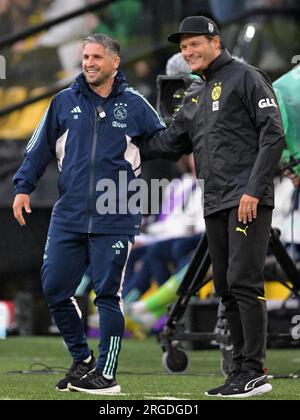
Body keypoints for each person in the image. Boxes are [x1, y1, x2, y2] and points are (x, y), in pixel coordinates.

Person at [136, 16, 285, 398]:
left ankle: (254, 369)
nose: (188, 52)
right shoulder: (195, 94)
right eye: (183, 48)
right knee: (224, 285)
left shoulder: (247, 77)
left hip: (247, 199)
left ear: (215, 42)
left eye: (194, 44)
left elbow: (273, 134)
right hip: (215, 201)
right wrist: (127, 143)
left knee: (242, 282)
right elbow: (170, 143)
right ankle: (240, 370)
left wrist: (254, 190)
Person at [12, 33, 166, 395]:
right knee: (54, 288)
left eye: (97, 56)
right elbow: (38, 149)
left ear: (115, 62)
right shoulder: (63, 102)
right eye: (85, 56)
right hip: (70, 213)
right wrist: (22, 188)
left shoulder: (137, 104)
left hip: (117, 211)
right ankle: (82, 361)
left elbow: (164, 142)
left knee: (107, 294)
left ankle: (106, 374)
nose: (89, 62)